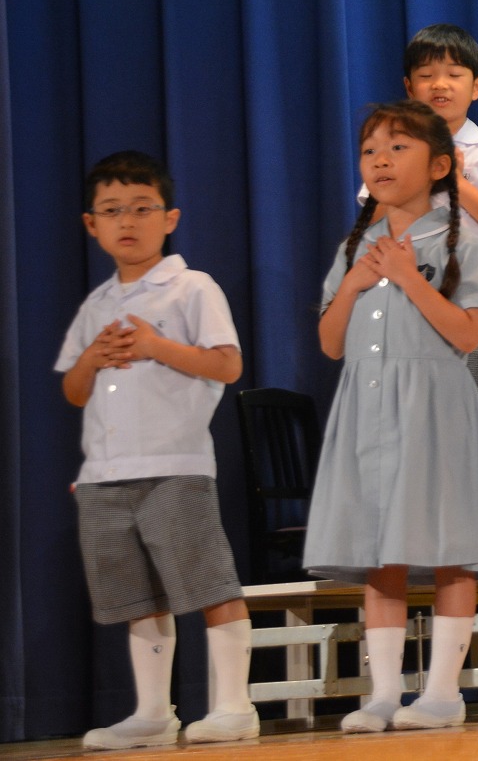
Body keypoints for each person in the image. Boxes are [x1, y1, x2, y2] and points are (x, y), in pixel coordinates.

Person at [304, 101, 478, 733]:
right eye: (370, 150)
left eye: (398, 147)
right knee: (379, 551)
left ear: (440, 165)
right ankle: (384, 693)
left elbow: (468, 334)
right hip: (368, 410)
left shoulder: (461, 240)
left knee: (449, 548)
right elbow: (331, 343)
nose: (380, 160)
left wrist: (409, 279)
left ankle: (442, 693)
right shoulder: (355, 247)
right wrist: (354, 284)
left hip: (433, 409)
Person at [56, 150, 257, 749]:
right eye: (112, 210)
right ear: (91, 224)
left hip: (175, 465)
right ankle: (152, 712)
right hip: (105, 473)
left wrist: (154, 345)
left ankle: (234, 705)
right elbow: (73, 391)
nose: (128, 221)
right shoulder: (96, 305)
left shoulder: (191, 287)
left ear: (169, 218)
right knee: (135, 595)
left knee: (208, 583)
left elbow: (227, 364)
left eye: (142, 208)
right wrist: (92, 357)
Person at [357, 24, 478, 562]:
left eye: (453, 74)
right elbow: (371, 222)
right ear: (409, 86)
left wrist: (456, 181)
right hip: (409, 295)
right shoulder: (394, 148)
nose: (440, 84)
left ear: (476, 86)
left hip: (476, 296)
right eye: (427, 74)